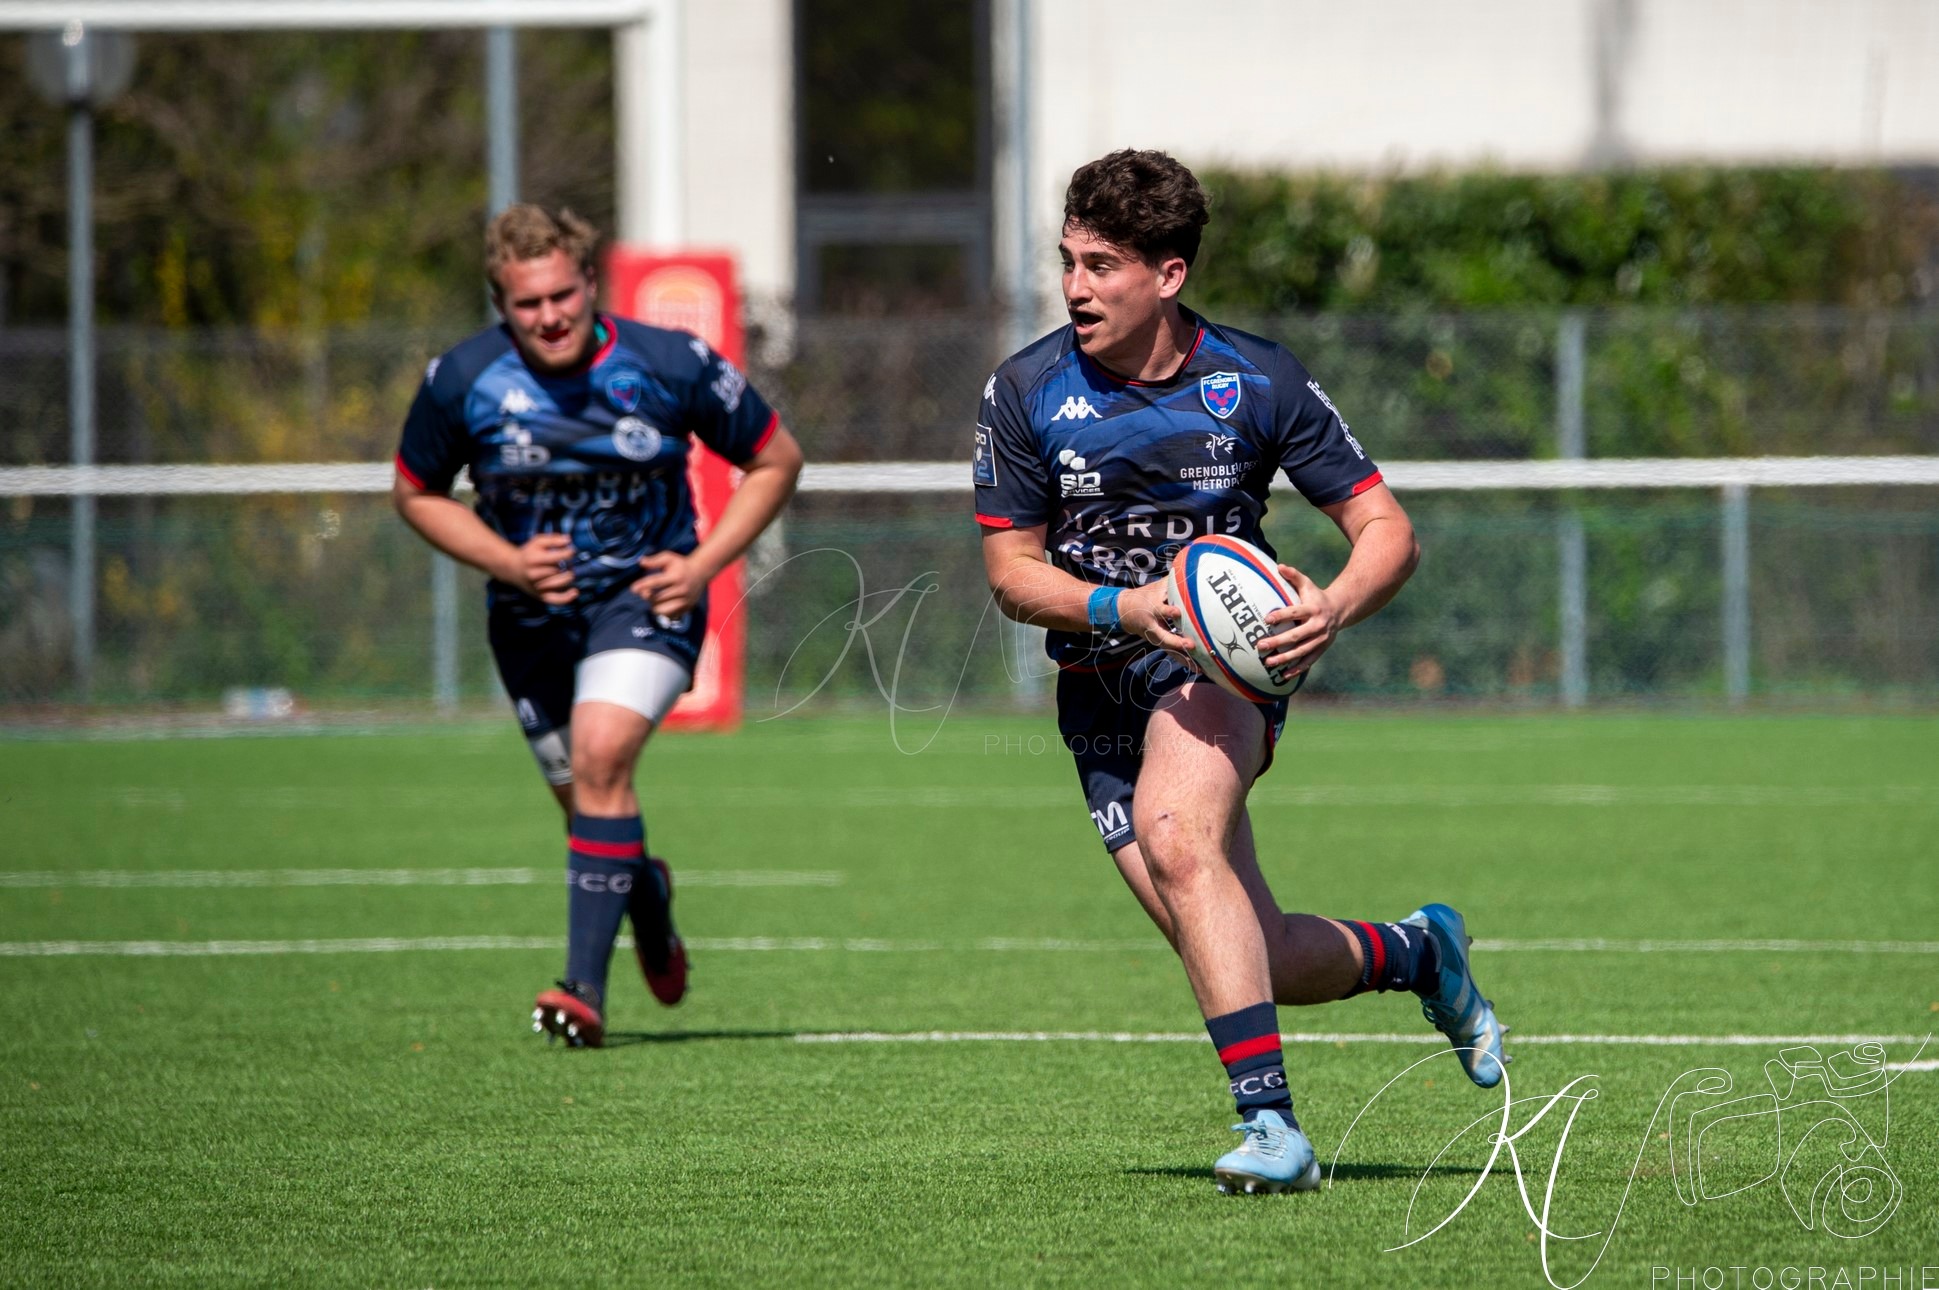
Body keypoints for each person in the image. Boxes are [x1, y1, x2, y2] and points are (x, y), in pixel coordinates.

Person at [974, 150, 1508, 1193]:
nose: (1075, 288)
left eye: (1103, 266)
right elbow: (1006, 572)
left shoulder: (1255, 379)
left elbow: (1384, 529)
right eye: (1068, 262)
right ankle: (1417, 954)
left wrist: (1333, 607)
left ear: (1168, 275)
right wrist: (1126, 607)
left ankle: (1272, 1131)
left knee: (1180, 839)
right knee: (1240, 941)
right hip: (1098, 685)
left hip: (1228, 667)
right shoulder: (1027, 389)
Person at [394, 205, 803, 1048]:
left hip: (645, 603)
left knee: (600, 757)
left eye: (562, 296)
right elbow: (415, 491)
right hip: (528, 623)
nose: (548, 317)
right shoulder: (462, 380)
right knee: (587, 802)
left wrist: (699, 567)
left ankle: (582, 990)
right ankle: (645, 894)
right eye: (526, 304)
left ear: (591, 284)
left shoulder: (669, 362)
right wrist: (505, 563)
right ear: (500, 304)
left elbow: (775, 460)